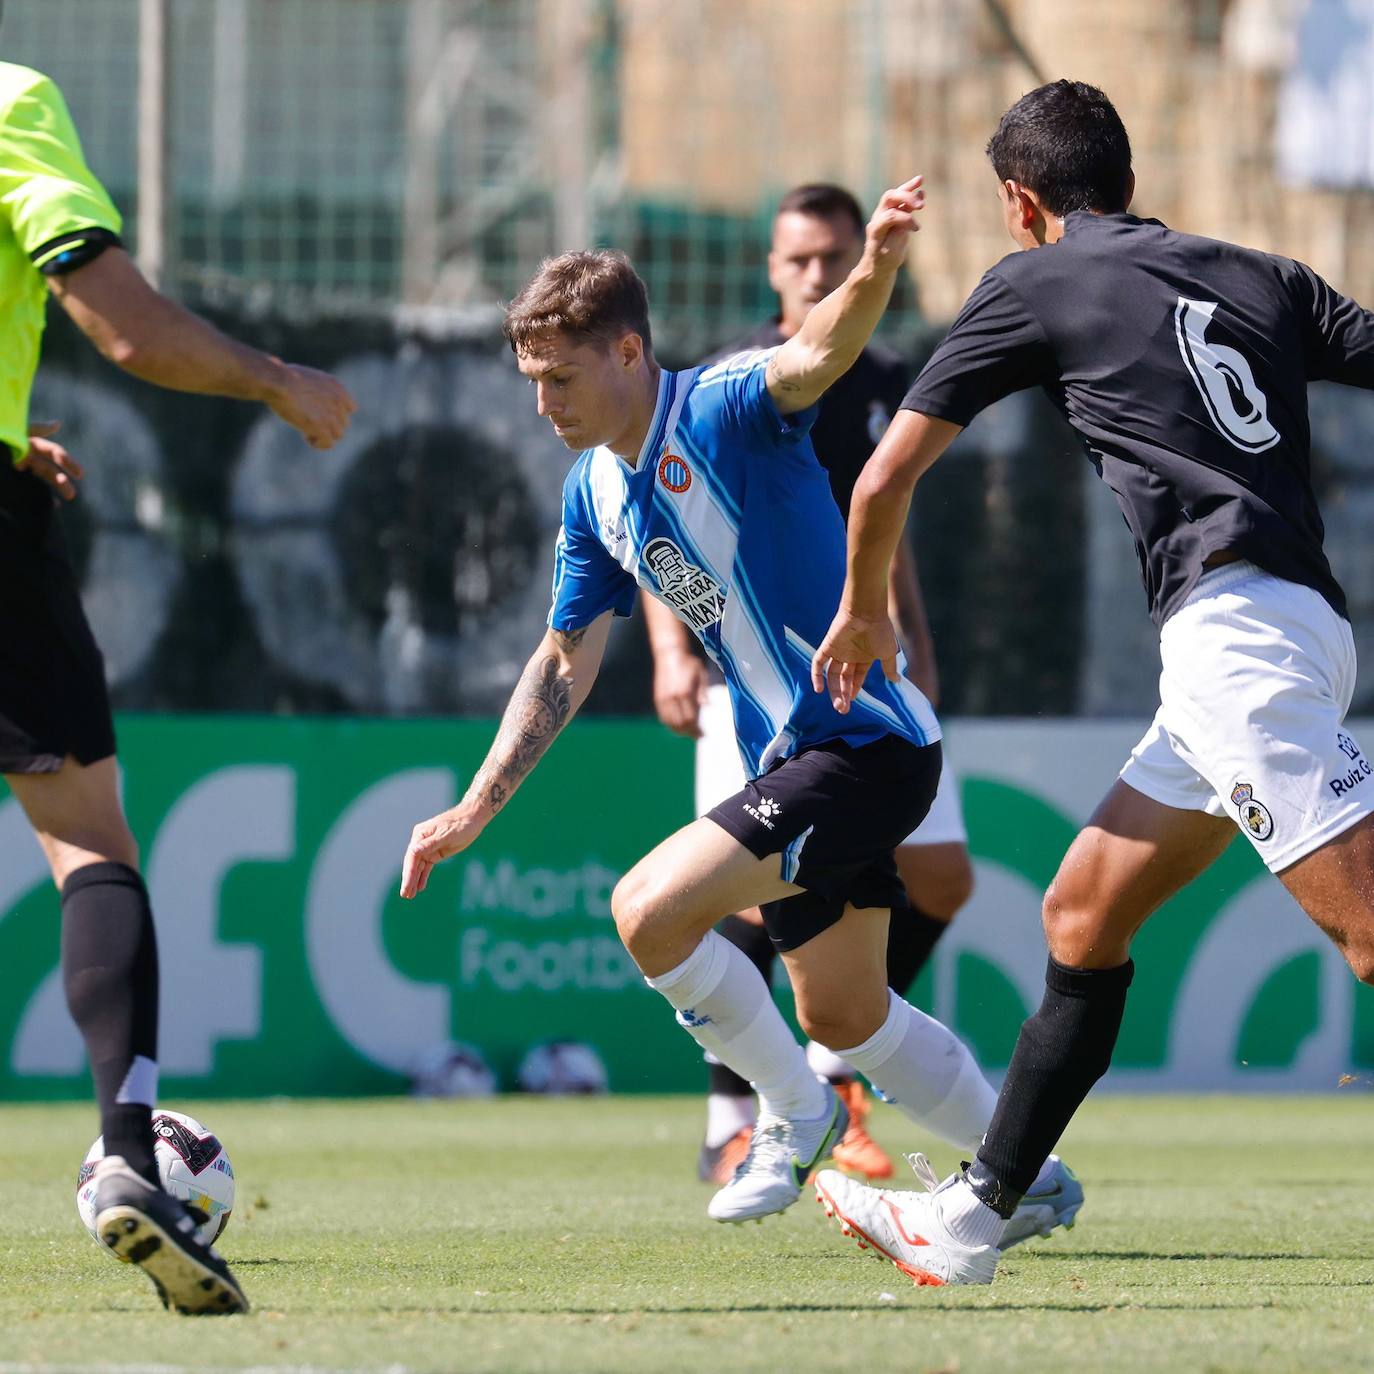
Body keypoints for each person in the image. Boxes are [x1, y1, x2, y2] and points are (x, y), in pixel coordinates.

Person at [400, 180, 1077, 1247]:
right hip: (795, 761)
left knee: (648, 911)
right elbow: (563, 661)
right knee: (845, 1013)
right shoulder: (593, 494)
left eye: (560, 377)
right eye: (531, 381)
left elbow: (816, 353)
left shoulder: (723, 404)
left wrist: (878, 264)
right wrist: (473, 809)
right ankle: (1026, 1177)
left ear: (629, 353)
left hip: (864, 745)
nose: (543, 405)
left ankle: (793, 1114)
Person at [810, 78, 1374, 1287]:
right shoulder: (1263, 274)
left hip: (1239, 643)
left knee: (1371, 935)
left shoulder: (1034, 280)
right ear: (1125, 179)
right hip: (1299, 628)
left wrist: (862, 614)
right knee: (1081, 915)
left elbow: (881, 478)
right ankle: (977, 1216)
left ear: (1022, 202)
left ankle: (972, 1217)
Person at [0, 60, 355, 1314]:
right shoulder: (9, 101)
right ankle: (128, 1153)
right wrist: (278, 379)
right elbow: (127, 328)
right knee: (88, 843)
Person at [641, 183, 974, 1186]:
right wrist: (669, 653)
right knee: (735, 897)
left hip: (868, 679)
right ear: (773, 269)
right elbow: (650, 519)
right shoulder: (735, 380)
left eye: (835, 256)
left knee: (942, 877)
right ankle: (730, 1119)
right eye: (801, 259)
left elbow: (883, 516)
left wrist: (914, 632)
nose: (819, 274)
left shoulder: (882, 376)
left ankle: (834, 1075)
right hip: (754, 682)